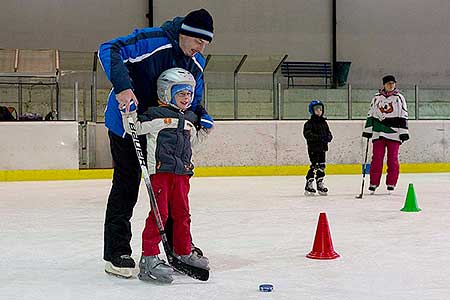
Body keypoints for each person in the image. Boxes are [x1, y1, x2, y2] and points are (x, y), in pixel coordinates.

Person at [98, 8, 215, 278]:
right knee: (126, 183)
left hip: (164, 131)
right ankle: (117, 251)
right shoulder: (154, 40)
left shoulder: (195, 63)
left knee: (171, 187)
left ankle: (178, 246)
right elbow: (110, 49)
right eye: (198, 42)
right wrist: (123, 87)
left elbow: (192, 100)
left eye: (205, 44)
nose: (200, 48)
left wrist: (202, 117)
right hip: (128, 123)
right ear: (186, 34)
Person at [122, 68, 210, 284]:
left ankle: (182, 251)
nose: (187, 98)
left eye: (189, 94)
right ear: (166, 93)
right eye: (181, 94)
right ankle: (149, 256)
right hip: (161, 173)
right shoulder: (156, 116)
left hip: (182, 174)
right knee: (159, 214)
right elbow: (134, 128)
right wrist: (129, 112)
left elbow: (192, 144)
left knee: (182, 213)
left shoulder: (189, 119)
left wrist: (205, 131)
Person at [362, 75, 409, 193]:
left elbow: (404, 115)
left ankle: (391, 183)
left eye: (393, 83)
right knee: (376, 159)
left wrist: (404, 132)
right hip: (378, 132)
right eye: (388, 83)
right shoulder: (376, 98)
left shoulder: (399, 98)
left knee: (392, 159)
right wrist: (368, 130)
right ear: (384, 85)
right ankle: (373, 183)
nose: (391, 85)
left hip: (395, 133)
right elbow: (370, 114)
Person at [303, 100, 333, 196]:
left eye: (320, 109)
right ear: (312, 111)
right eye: (316, 109)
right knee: (314, 166)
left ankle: (319, 183)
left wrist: (328, 137)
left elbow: (329, 134)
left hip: (323, 148)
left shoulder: (324, 123)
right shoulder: (309, 124)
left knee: (322, 166)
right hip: (313, 149)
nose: (319, 111)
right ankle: (309, 183)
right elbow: (308, 134)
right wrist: (319, 138)